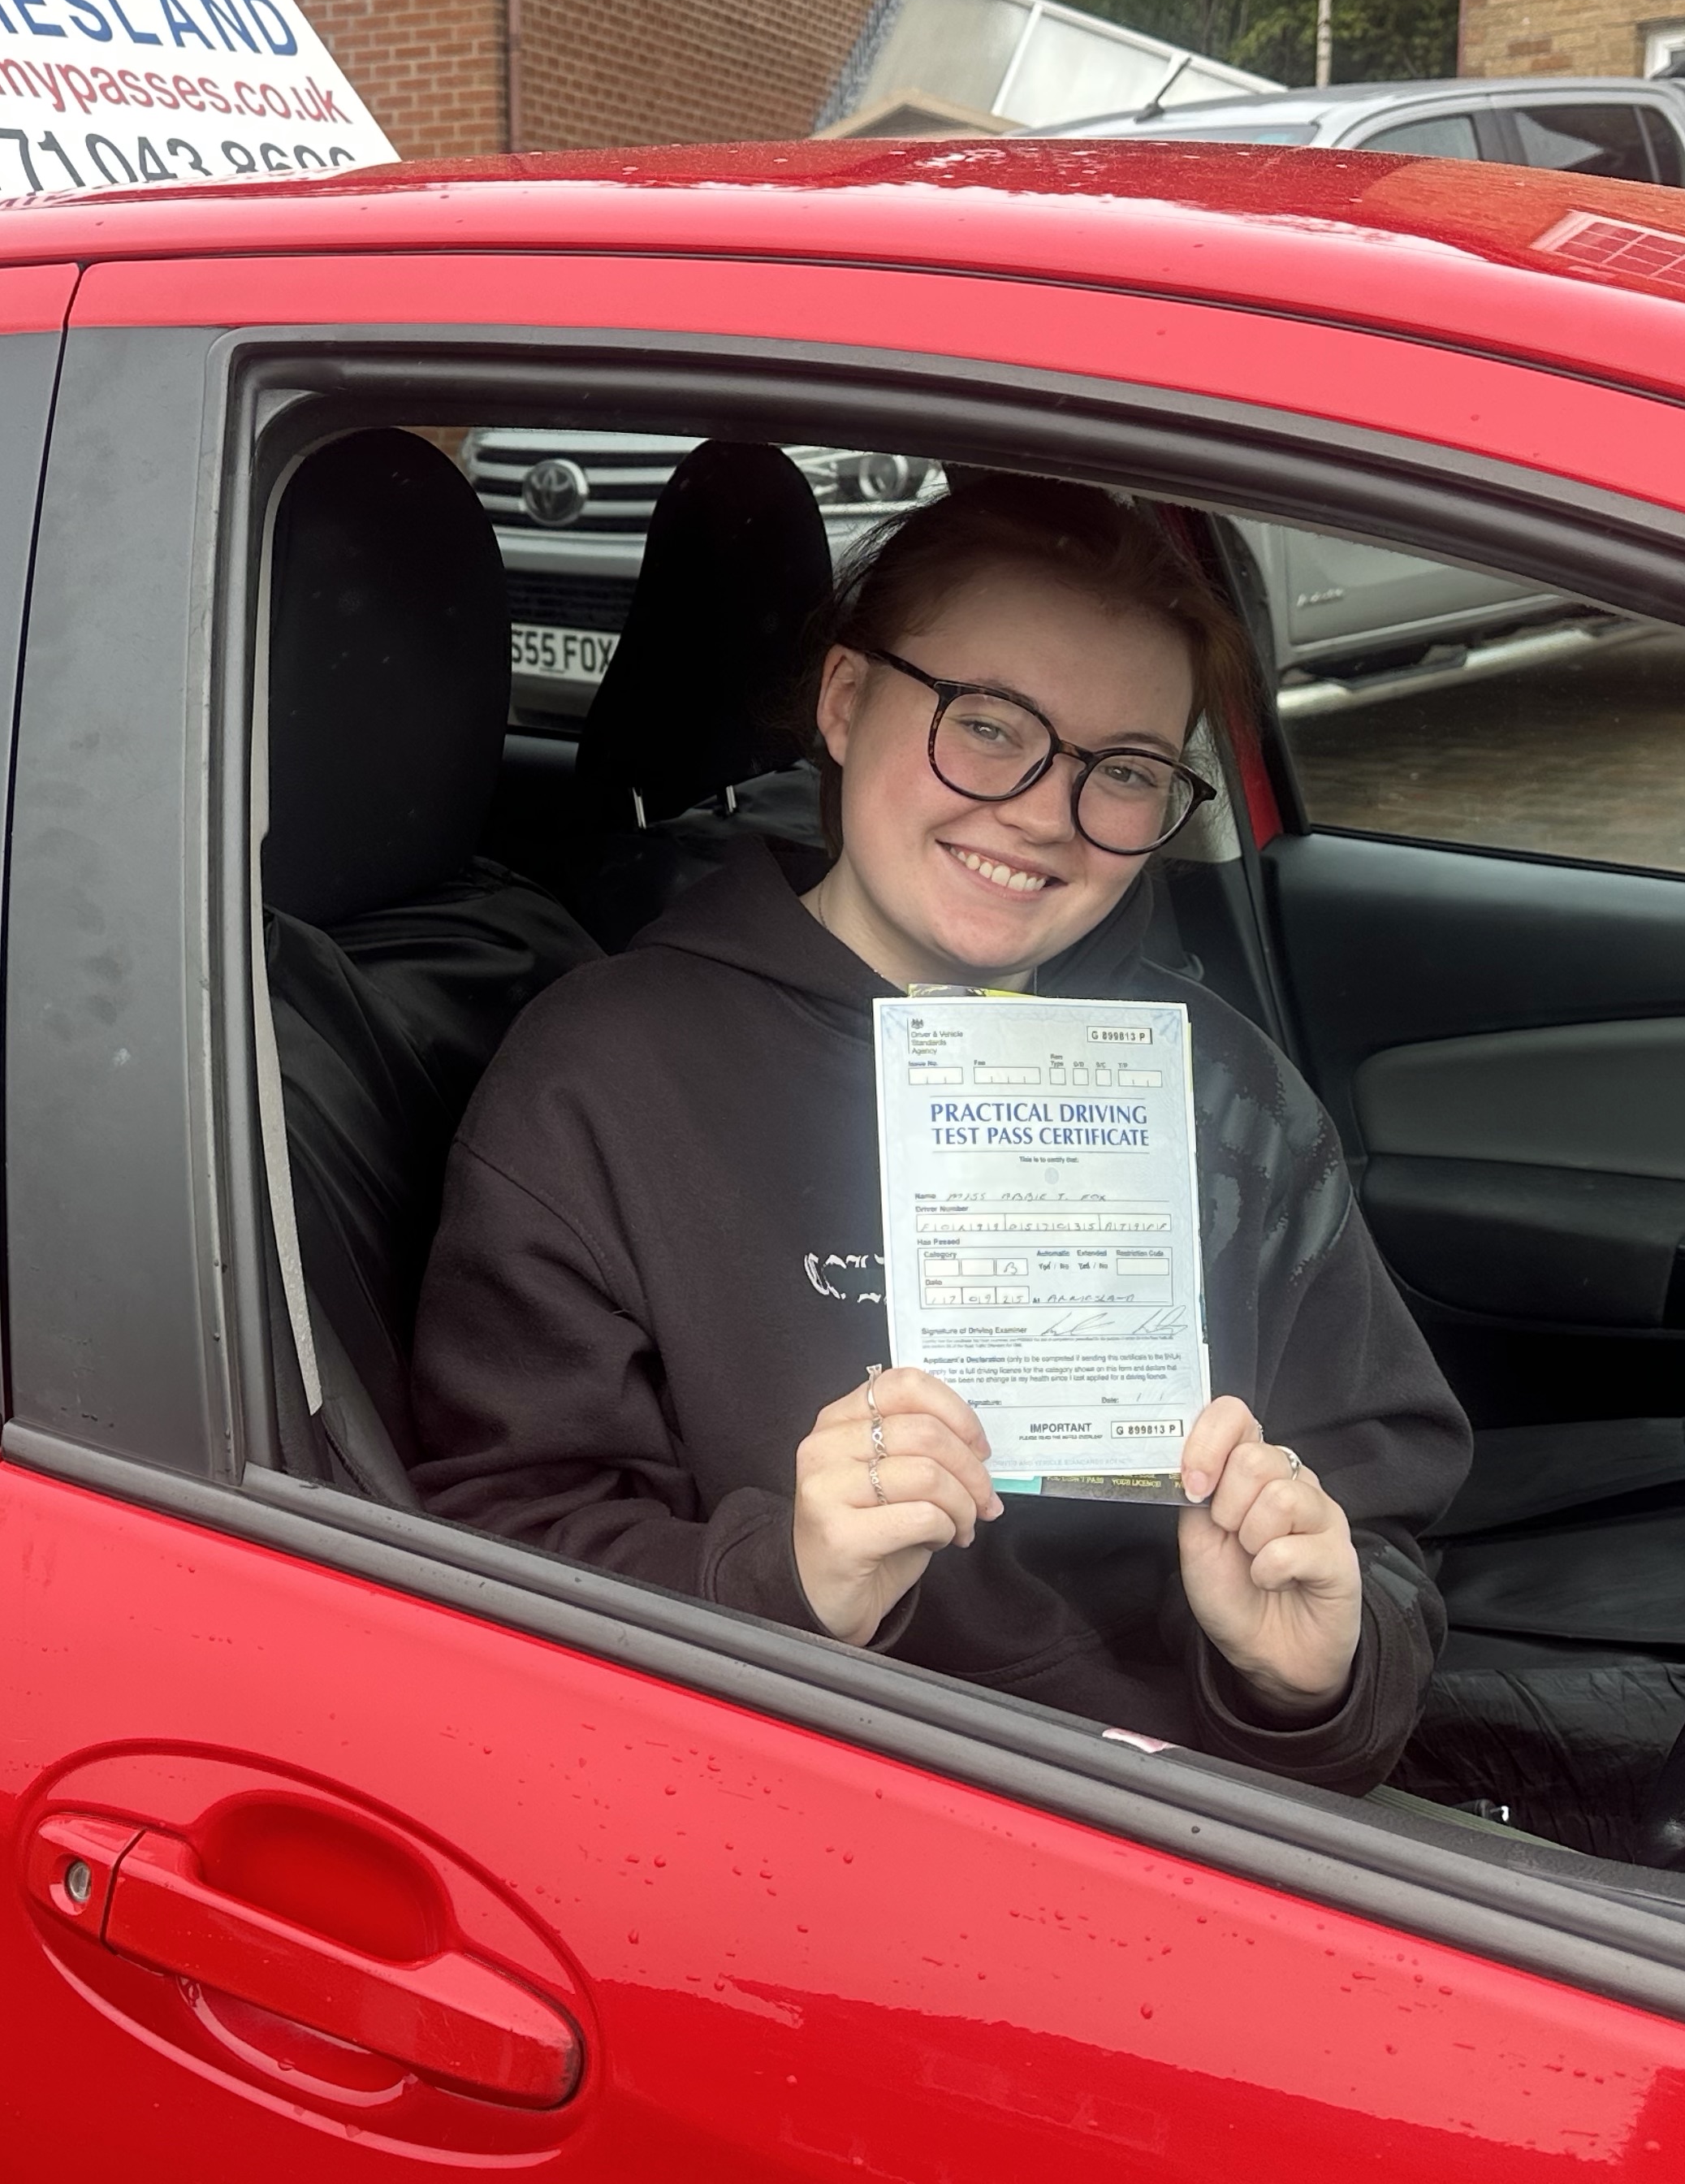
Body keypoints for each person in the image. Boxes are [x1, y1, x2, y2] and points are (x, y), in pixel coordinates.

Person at [407, 472, 1471, 1791]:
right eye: (989, 726)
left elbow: (1384, 1533)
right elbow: (496, 1565)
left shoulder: (1223, 1096)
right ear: (846, 703)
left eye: (1125, 771)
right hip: (802, 1815)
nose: (1040, 811)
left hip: (1211, 1832)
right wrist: (781, 1581)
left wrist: (1315, 1672)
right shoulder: (602, 1081)